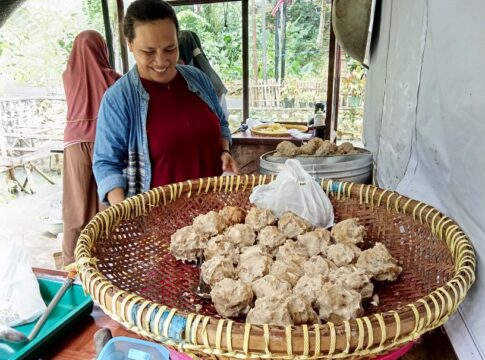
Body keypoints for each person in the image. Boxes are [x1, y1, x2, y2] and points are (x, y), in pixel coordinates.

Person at [93, 0, 238, 206]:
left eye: (170, 49)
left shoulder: (198, 80)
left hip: (213, 216)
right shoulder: (119, 99)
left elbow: (222, 123)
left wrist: (224, 151)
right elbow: (106, 163)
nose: (161, 61)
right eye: (149, 52)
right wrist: (123, 212)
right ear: (130, 44)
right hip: (157, 225)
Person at [62, 30, 121, 266]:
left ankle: (70, 264)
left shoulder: (67, 75)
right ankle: (102, 261)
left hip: (74, 143)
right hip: (104, 143)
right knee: (104, 204)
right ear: (102, 50)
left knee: (75, 207)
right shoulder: (113, 79)